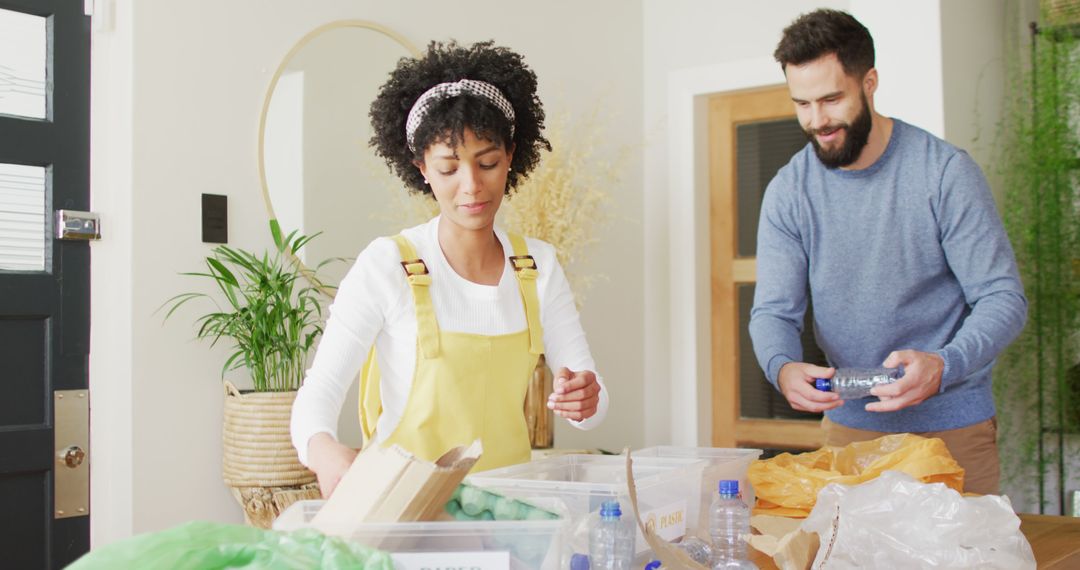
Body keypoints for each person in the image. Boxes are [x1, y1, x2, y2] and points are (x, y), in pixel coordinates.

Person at [291, 40, 608, 497]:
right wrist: (324, 451)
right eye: (447, 169)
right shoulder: (388, 264)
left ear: (511, 157)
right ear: (421, 168)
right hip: (403, 511)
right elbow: (317, 396)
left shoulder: (538, 266)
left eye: (488, 163)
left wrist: (585, 399)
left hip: (506, 512)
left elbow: (591, 405)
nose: (471, 187)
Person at [748, 9, 1027, 495]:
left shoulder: (943, 172)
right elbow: (773, 311)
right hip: (849, 430)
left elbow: (1003, 298)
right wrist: (782, 365)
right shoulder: (790, 191)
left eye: (832, 99)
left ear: (869, 82)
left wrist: (944, 364)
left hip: (953, 427)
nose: (817, 121)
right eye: (803, 104)